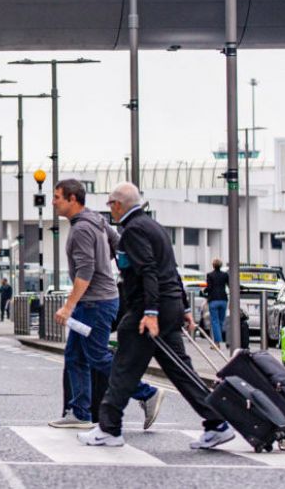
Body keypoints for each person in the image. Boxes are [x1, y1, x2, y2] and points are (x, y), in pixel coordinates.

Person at [79, 182, 233, 449]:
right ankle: (216, 422)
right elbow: (170, 270)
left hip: (149, 312)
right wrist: (183, 307)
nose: (110, 210)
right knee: (181, 371)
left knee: (123, 368)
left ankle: (109, 428)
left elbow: (148, 271)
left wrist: (150, 313)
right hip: (168, 307)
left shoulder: (133, 231)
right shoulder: (154, 226)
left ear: (117, 204)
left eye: (110, 205)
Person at [50, 179, 164, 430]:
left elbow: (86, 271)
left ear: (72, 199)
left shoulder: (81, 229)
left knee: (98, 356)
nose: (53, 202)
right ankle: (79, 412)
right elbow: (119, 244)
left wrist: (68, 306)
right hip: (98, 301)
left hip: (95, 304)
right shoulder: (97, 220)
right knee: (74, 356)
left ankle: (147, 394)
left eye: (57, 197)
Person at [204, 258, 228, 349]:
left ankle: (217, 343)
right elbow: (230, 285)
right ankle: (218, 341)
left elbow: (209, 287)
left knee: (215, 322)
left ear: (213, 265)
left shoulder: (210, 275)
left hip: (213, 300)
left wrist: (204, 290)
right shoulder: (225, 275)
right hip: (223, 299)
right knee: (221, 321)